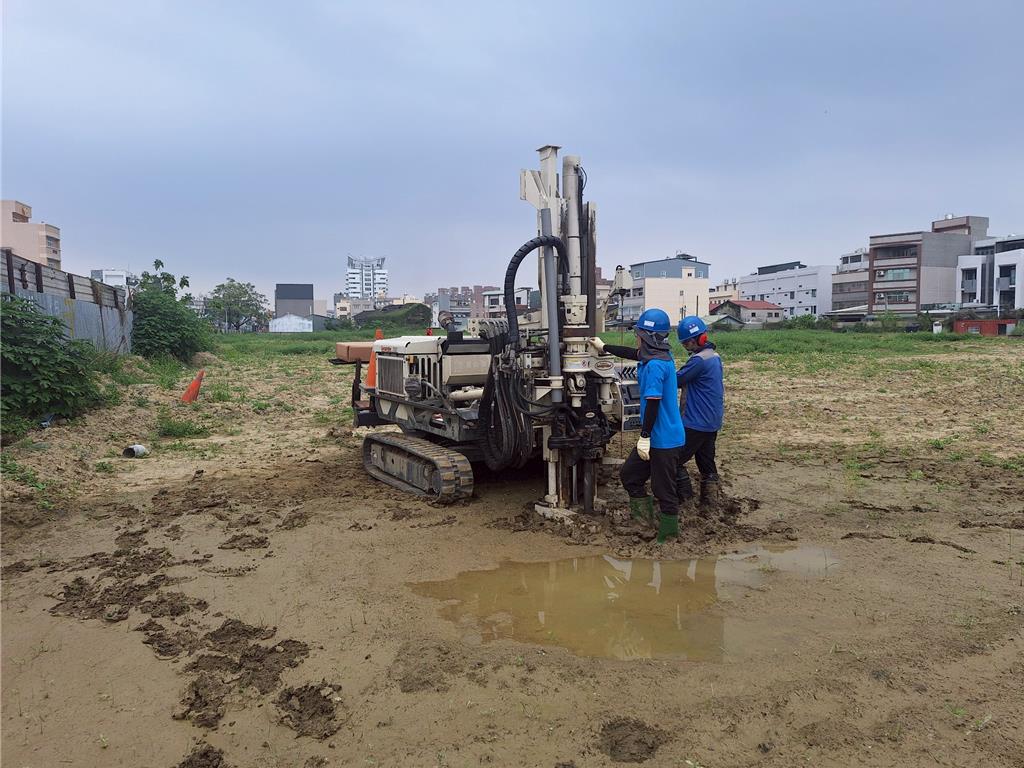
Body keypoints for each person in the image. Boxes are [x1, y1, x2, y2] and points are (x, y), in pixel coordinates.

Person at [590, 308, 685, 542]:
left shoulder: (655, 366)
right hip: (658, 436)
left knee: (664, 490)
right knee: (630, 475)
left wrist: (645, 436)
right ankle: (643, 523)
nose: (637, 338)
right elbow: (634, 353)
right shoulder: (660, 356)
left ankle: (668, 538)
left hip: (662, 438)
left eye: (639, 334)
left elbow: (653, 404)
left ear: (649, 337)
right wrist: (605, 347)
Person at [674, 315, 724, 512]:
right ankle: (710, 505)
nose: (686, 345)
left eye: (687, 342)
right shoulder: (714, 355)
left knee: (673, 460)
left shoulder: (698, 361)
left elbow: (676, 380)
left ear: (696, 340)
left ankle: (686, 503)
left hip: (695, 421)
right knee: (706, 461)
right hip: (712, 420)